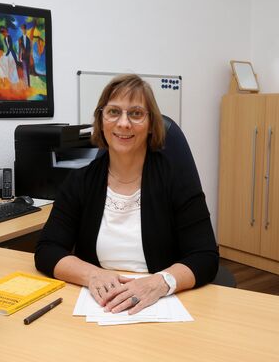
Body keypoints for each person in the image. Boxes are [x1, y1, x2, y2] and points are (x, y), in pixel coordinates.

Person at [35, 74, 219, 315]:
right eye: (113, 112)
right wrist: (93, 275)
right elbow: (48, 249)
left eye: (135, 113)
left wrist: (160, 283)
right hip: (99, 305)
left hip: (159, 306)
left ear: (152, 123)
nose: (123, 123)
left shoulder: (176, 180)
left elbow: (205, 256)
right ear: (101, 121)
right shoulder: (80, 182)